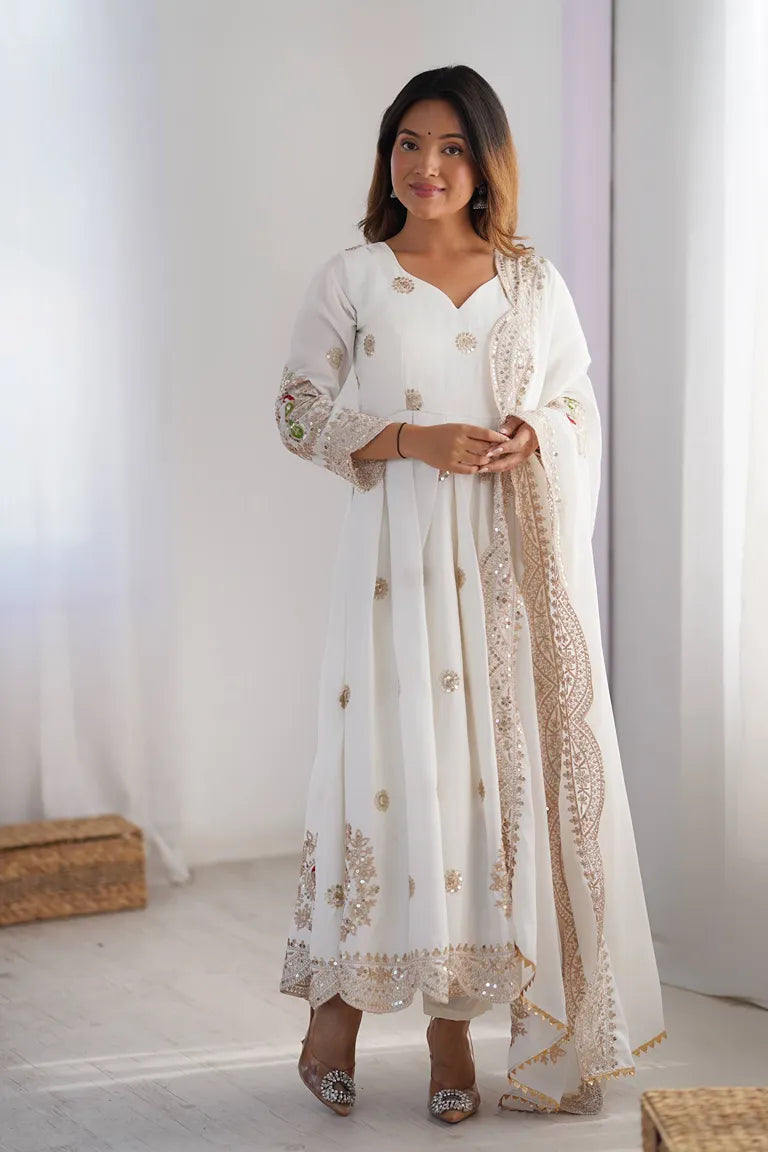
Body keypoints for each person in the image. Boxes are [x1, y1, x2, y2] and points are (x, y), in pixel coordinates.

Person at [275, 64, 666, 1124]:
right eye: (409, 143)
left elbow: (576, 399)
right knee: (381, 773)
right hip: (392, 567)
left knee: (479, 787)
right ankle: (334, 1014)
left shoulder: (532, 282)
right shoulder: (355, 277)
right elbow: (298, 410)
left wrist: (536, 431)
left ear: (486, 161)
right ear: (387, 156)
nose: (428, 166)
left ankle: (452, 1028)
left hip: (502, 574)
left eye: (451, 147)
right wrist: (411, 439)